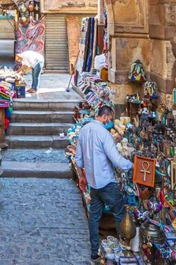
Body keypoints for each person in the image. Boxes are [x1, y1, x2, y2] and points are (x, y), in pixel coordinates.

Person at [74, 105, 133, 261]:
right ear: (105, 117)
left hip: (93, 183)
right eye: (111, 119)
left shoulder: (84, 131)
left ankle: (94, 252)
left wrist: (82, 177)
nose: (111, 122)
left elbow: (78, 159)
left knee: (94, 217)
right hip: (106, 183)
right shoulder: (104, 134)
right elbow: (116, 159)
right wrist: (132, 165)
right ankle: (123, 251)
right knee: (120, 214)